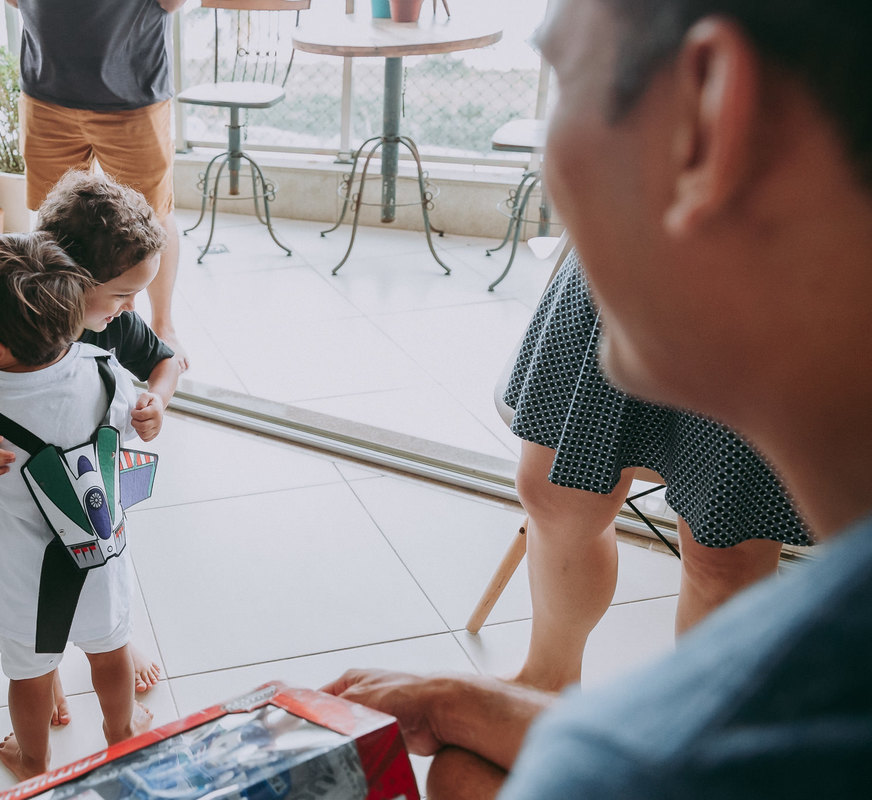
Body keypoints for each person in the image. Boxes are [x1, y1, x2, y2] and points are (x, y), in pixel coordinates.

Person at [323, 0, 872, 796]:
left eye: (563, 76)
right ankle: (548, 675)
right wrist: (484, 709)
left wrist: (595, 762)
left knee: (722, 544)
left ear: (707, 116)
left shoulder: (630, 772)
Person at [0, 170, 178, 695]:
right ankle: (43, 664)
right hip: (19, 499)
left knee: (100, 568)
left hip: (94, 492)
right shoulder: (9, 327)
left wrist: (156, 401)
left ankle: (110, 638)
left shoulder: (114, 324)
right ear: (70, 277)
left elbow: (166, 363)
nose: (131, 308)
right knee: (30, 577)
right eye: (124, 293)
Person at [504, 245, 810, 691]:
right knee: (551, 494)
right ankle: (546, 682)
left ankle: (696, 733)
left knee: (724, 555)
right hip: (631, 245)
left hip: (770, 277)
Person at [0, 233, 154, 781]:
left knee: (28, 676)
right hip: (101, 560)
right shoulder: (106, 370)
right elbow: (134, 425)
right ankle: (121, 735)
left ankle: (33, 762)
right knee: (110, 654)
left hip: (21, 581)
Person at [4, 0, 190, 370]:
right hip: (47, 88)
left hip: (132, 91)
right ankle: (54, 320)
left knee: (152, 218)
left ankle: (162, 324)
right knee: (51, 217)